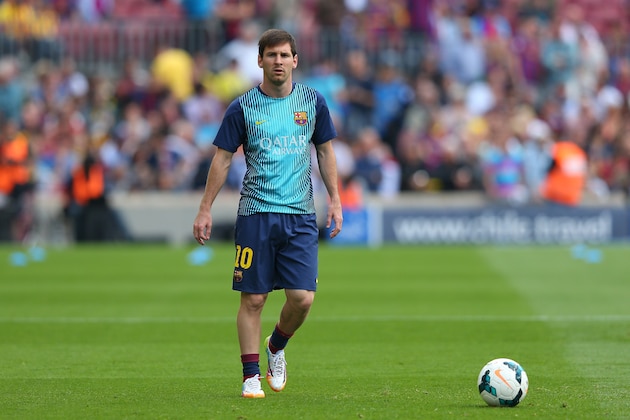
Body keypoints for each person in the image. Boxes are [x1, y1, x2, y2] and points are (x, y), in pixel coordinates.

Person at [192, 29, 343, 398]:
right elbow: (223, 158)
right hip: (256, 214)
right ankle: (249, 374)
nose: (278, 61)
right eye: (271, 55)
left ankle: (277, 345)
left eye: (284, 55)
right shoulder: (242, 107)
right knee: (254, 299)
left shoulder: (314, 102)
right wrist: (205, 208)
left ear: (295, 61)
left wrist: (336, 200)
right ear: (259, 60)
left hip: (301, 215)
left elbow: (324, 152)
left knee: (303, 298)